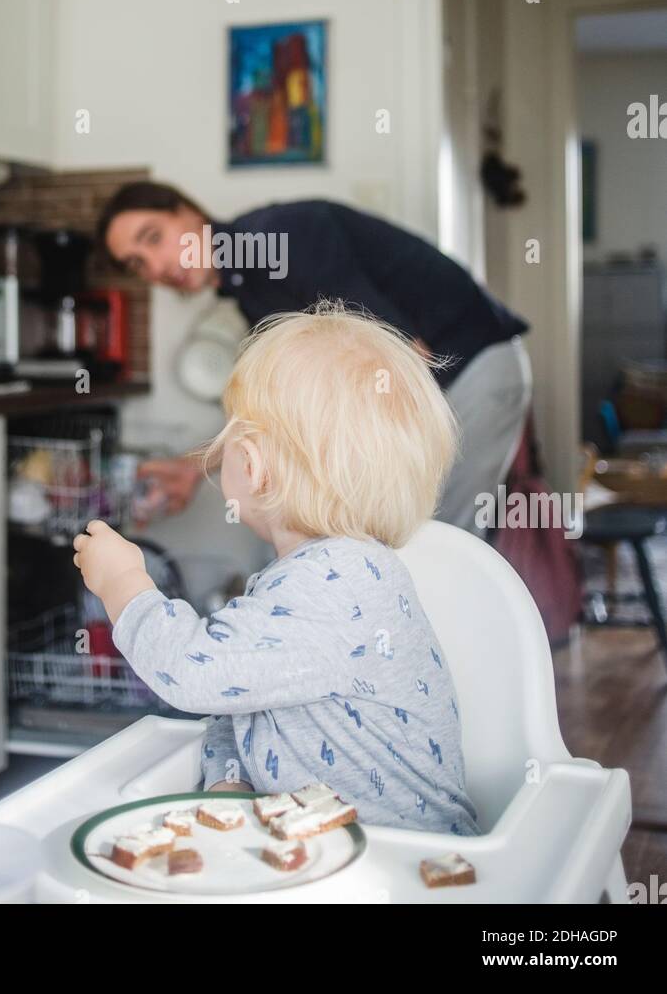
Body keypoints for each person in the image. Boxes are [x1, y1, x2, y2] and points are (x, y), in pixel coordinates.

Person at [73, 303, 479, 833]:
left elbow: (195, 674)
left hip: (399, 865)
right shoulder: (334, 569)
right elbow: (245, 703)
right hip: (334, 851)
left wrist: (126, 584)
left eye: (231, 436)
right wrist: (228, 779)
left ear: (254, 467)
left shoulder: (334, 584)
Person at [97, 181, 532, 535]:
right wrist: (196, 466)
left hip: (473, 371)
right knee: (423, 544)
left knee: (439, 543)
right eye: (137, 264)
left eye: (153, 237)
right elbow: (285, 404)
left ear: (189, 211)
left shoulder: (277, 239)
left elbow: (400, 355)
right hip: (440, 389)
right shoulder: (249, 284)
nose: (156, 266)